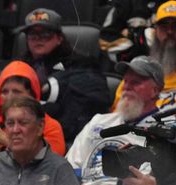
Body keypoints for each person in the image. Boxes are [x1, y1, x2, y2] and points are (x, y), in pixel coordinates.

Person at [66, 56, 166, 185]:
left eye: (136, 82)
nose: (127, 87)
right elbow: (71, 167)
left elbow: (148, 184)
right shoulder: (100, 121)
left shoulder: (163, 131)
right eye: (125, 81)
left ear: (155, 90)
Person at [16, 8, 112, 142]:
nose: (38, 40)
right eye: (32, 35)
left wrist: (51, 87)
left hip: (68, 138)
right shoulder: (18, 67)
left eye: (45, 35)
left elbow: (97, 97)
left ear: (59, 38)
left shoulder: (82, 63)